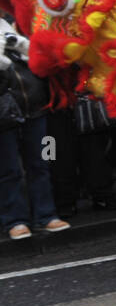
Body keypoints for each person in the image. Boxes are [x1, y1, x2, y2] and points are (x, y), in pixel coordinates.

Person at [0, 22, 70, 239]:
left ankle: (46, 215)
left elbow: (40, 59)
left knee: (42, 161)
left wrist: (20, 41)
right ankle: (15, 220)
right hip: (3, 114)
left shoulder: (15, 21)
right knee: (8, 169)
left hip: (37, 107)